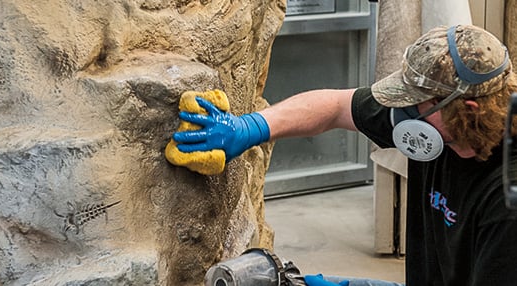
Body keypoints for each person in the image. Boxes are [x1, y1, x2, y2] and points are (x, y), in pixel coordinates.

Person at [170, 25, 517, 285]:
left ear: (466, 109)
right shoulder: (447, 126)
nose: (403, 111)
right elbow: (334, 106)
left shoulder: (506, 202)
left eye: (416, 102)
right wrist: (249, 128)